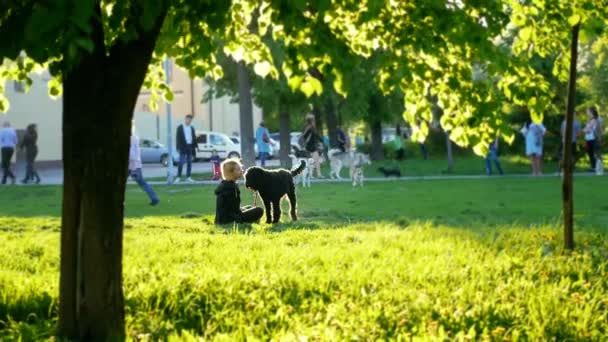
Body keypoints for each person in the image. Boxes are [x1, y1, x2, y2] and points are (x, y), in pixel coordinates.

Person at [214, 158, 264, 225]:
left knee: (249, 207)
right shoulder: (230, 188)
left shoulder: (226, 184)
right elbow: (234, 211)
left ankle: (252, 221)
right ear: (230, 173)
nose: (242, 171)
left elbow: (233, 208)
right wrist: (243, 217)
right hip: (228, 220)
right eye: (238, 170)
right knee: (259, 210)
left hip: (224, 218)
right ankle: (251, 223)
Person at [129, 128, 159, 206]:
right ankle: (154, 198)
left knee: (142, 182)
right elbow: (137, 152)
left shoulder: (131, 138)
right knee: (142, 183)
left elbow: (131, 154)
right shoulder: (135, 138)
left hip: (131, 165)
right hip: (137, 165)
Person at [175, 114, 197, 183]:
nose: (189, 121)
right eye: (188, 119)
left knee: (189, 162)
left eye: (190, 120)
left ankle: (188, 177)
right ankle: (178, 177)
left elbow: (194, 137)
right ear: (185, 119)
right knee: (181, 162)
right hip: (183, 147)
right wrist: (178, 147)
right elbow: (177, 138)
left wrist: (195, 147)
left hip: (190, 146)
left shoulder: (192, 128)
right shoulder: (180, 127)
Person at [583, 106, 602, 172]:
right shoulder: (590, 120)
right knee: (590, 153)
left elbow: (587, 130)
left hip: (593, 139)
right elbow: (585, 129)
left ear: (591, 112)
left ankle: (598, 168)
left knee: (595, 153)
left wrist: (586, 129)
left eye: (588, 111)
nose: (587, 113)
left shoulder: (595, 120)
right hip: (589, 139)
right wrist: (586, 129)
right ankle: (594, 167)